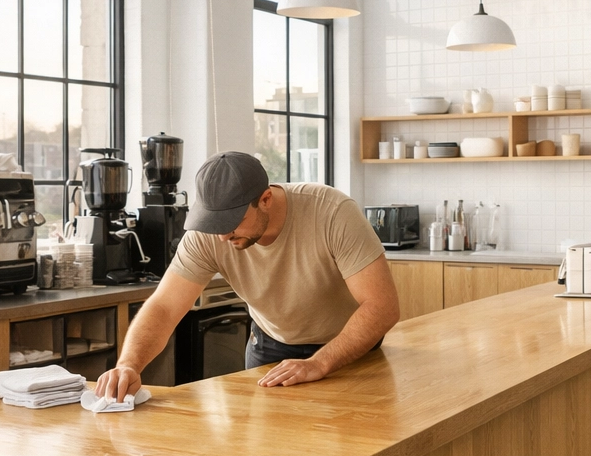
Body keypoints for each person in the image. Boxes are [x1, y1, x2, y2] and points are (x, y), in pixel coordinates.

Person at [96, 151, 399, 398]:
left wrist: (320, 363)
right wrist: (129, 365)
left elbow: (381, 307)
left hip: (347, 347)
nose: (222, 236)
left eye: (232, 222)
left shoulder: (332, 212)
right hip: (272, 346)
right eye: (214, 223)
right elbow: (164, 307)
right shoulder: (210, 233)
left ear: (265, 199)